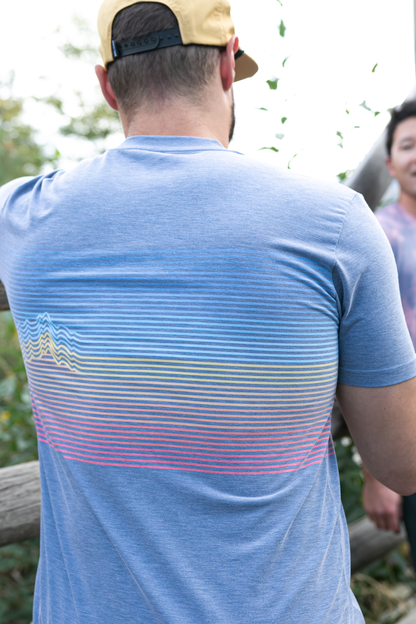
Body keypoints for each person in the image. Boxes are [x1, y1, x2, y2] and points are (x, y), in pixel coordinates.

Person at [1, 1, 416, 622]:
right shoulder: (334, 224)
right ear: (227, 65)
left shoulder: (20, 218)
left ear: (107, 85)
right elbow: (400, 462)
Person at [362, 100, 416, 565]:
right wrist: (379, 475)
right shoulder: (380, 234)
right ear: (390, 163)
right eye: (408, 145)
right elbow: (368, 356)